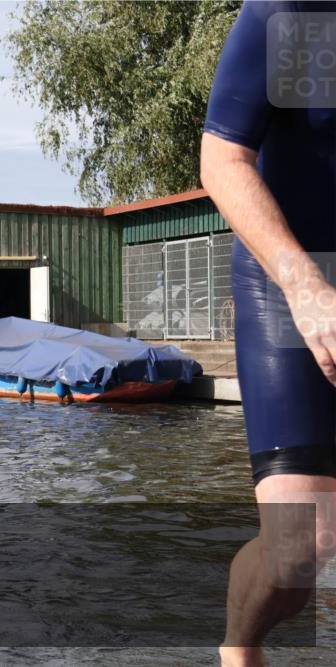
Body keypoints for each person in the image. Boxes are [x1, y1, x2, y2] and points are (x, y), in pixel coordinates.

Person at [201, 3, 336, 665]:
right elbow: (223, 159)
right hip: (291, 279)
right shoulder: (296, 11)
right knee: (297, 550)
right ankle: (239, 643)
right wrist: (306, 286)